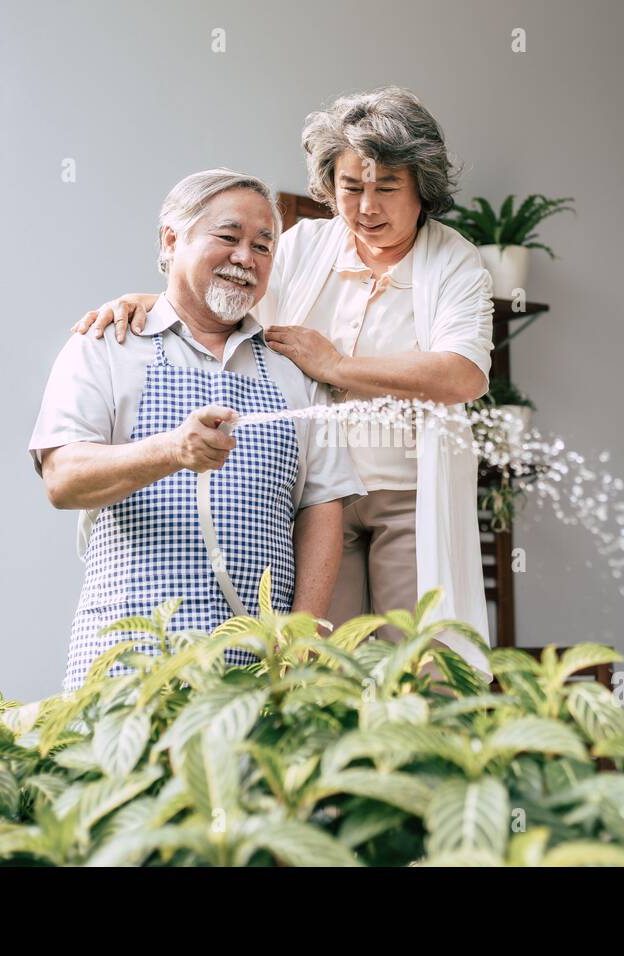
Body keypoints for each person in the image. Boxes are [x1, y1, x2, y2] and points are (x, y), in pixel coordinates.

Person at [74, 87, 495, 678]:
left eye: (386, 188)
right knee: (323, 665)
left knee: (420, 666)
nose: (366, 206)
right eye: (351, 187)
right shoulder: (303, 245)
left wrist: (338, 367)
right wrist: (154, 299)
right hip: (317, 496)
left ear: (421, 186)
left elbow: (463, 374)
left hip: (407, 495)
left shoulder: (454, 262)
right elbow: (229, 299)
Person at [30, 169, 363, 691]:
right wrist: (172, 450)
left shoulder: (292, 368)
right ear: (171, 239)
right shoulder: (103, 346)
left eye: (262, 246)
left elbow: (323, 507)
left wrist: (301, 636)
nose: (245, 258)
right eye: (228, 237)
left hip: (258, 671)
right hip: (129, 662)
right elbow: (62, 478)